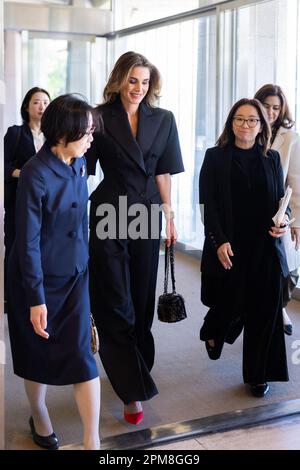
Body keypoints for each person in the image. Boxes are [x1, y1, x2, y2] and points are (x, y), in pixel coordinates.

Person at [86, 51, 184, 424]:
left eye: (144, 82)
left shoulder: (164, 119)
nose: (138, 88)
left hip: (146, 214)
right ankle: (132, 393)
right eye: (132, 80)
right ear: (119, 81)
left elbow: (163, 173)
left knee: (142, 302)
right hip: (109, 211)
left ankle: (136, 369)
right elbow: (83, 167)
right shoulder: (98, 117)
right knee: (115, 299)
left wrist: (170, 215)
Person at [7, 94, 101, 450]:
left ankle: (93, 443)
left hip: (75, 275)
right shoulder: (35, 172)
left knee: (82, 354)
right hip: (37, 279)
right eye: (87, 133)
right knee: (37, 353)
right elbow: (27, 241)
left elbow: (80, 221)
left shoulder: (79, 162)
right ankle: (39, 412)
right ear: (63, 133)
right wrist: (35, 298)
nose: (91, 139)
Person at [199, 98, 290, 398]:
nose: (245, 125)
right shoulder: (215, 157)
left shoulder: (272, 158)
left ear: (262, 125)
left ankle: (258, 375)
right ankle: (214, 330)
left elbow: (281, 201)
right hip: (232, 245)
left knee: (264, 310)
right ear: (231, 123)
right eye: (239, 119)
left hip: (265, 244)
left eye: (252, 120)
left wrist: (285, 220)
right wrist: (219, 241)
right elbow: (208, 206)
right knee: (231, 301)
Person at [254, 84, 300, 336]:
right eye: (266, 106)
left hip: (279, 211)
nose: (271, 112)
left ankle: (280, 308)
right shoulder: (248, 126)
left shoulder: (289, 138)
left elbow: (296, 180)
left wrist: (296, 221)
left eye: (276, 107)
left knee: (284, 266)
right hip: (250, 210)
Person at [4, 87, 50, 305]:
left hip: (47, 203)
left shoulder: (54, 137)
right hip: (19, 200)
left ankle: (39, 297)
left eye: (45, 103)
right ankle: (14, 299)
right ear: (26, 107)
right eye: (36, 102)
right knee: (16, 247)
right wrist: (24, 173)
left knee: (42, 250)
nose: (41, 107)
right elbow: (4, 165)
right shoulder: (15, 133)